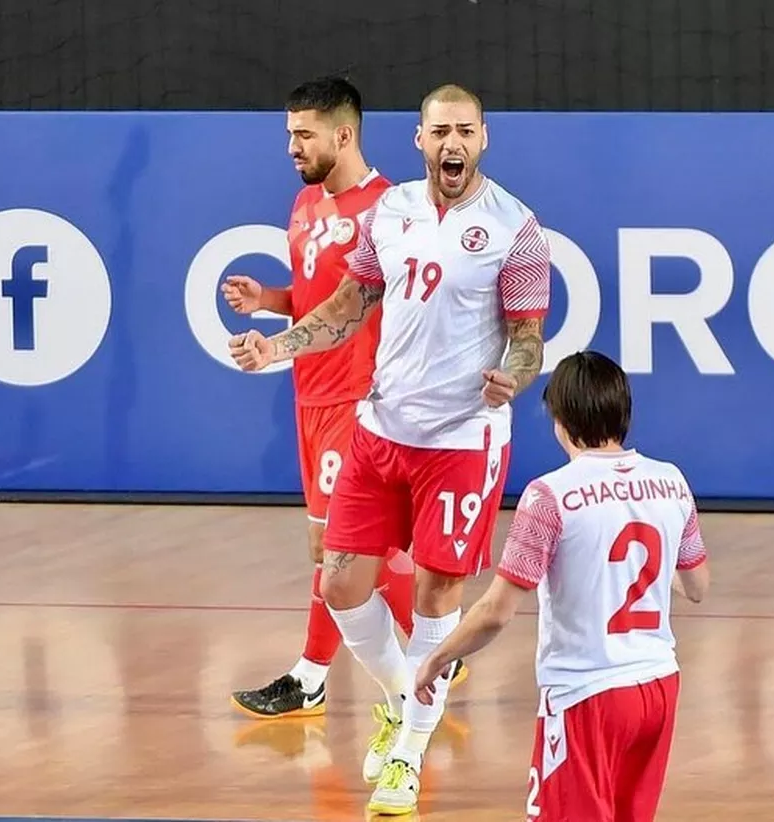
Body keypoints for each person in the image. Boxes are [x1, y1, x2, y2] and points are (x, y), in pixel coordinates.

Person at [228, 82, 552, 815]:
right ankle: (406, 702)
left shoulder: (517, 229)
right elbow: (347, 308)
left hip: (462, 439)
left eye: (465, 132)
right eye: (440, 132)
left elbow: (529, 336)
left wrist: (516, 376)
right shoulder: (392, 213)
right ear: (419, 140)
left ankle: (405, 756)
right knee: (341, 581)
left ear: (484, 138)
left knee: (438, 594)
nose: (452, 145)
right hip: (382, 427)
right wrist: (276, 345)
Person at [222, 76, 466, 722]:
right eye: (289, 135)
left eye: (303, 135)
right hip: (311, 397)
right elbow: (318, 299)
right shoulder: (305, 206)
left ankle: (314, 675)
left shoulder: (390, 208)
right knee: (345, 548)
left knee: (346, 548)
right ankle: (439, 648)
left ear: (344, 133)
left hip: (361, 401)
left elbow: (372, 303)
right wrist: (269, 302)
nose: (292, 147)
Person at [413, 350, 710, 822]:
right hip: (659, 687)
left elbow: (496, 611)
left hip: (587, 694)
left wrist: (436, 657)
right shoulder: (671, 482)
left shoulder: (549, 496)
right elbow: (696, 584)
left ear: (562, 420)